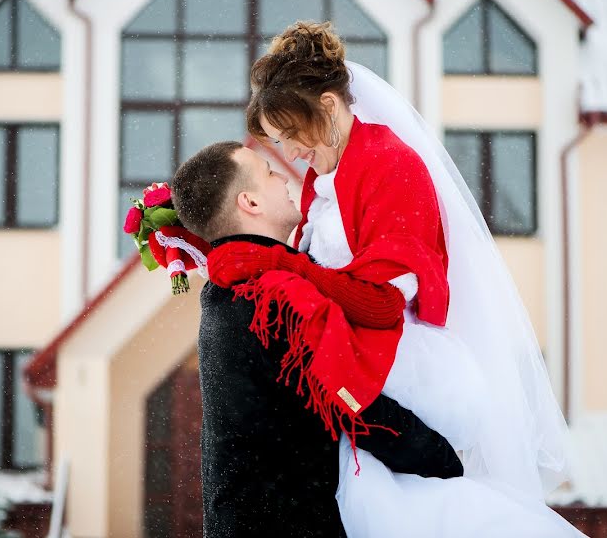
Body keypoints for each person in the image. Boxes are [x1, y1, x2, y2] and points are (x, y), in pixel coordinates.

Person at [205, 21, 586, 537]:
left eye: (291, 134)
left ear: (330, 106)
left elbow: (383, 304)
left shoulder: (390, 165)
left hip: (406, 373)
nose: (290, 153)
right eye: (278, 141)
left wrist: (281, 263)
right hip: (360, 383)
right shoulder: (322, 182)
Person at [171, 141, 464, 538]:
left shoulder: (228, 287)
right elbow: (352, 400)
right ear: (250, 203)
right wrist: (441, 457)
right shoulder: (273, 295)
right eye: (268, 172)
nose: (282, 175)